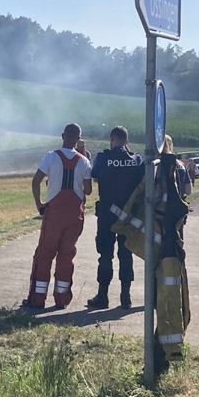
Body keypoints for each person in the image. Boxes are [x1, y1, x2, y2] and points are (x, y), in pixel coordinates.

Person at [22, 123, 94, 310]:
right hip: (75, 215)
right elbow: (88, 190)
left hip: (54, 213)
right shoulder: (84, 161)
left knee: (45, 253)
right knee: (66, 255)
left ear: (63, 136)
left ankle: (37, 299)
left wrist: (39, 204)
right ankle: (61, 299)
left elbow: (36, 181)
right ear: (78, 140)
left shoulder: (51, 157)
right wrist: (86, 158)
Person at [86, 126, 145, 309]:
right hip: (128, 217)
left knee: (105, 255)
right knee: (125, 254)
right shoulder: (136, 160)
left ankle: (103, 296)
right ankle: (125, 297)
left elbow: (94, 177)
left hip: (107, 216)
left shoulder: (103, 158)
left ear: (111, 139)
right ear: (127, 141)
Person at [163, 135, 192, 201]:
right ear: (170, 145)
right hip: (176, 205)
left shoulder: (151, 165)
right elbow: (188, 190)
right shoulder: (181, 165)